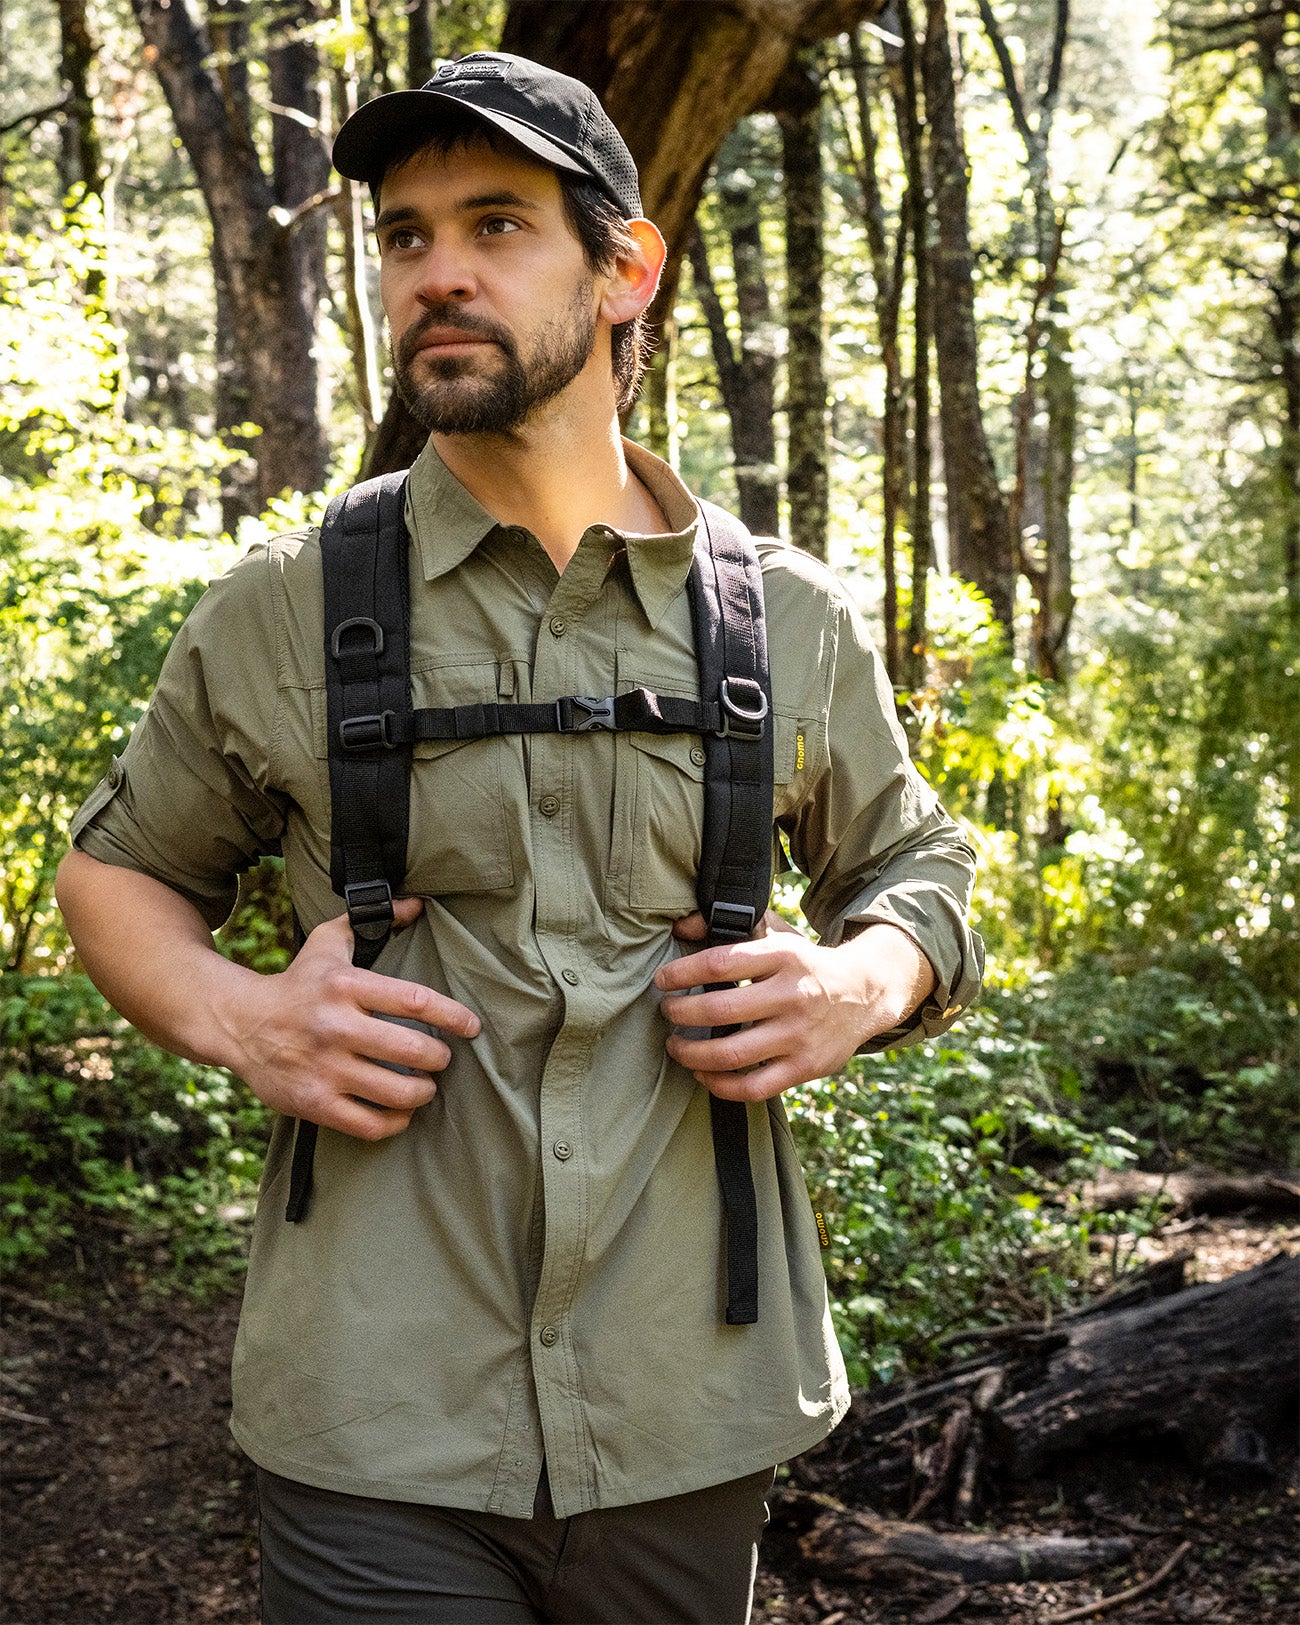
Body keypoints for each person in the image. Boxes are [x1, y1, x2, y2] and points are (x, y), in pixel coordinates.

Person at [56, 50, 983, 1625]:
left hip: (689, 1402)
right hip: (372, 1415)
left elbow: (923, 867)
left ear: (626, 268)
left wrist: (863, 980)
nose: (438, 275)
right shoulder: (288, 607)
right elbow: (121, 866)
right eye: (405, 237)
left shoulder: (782, 621)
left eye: (495, 224)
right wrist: (243, 1017)